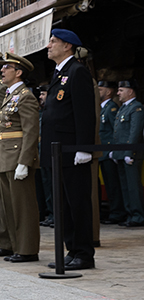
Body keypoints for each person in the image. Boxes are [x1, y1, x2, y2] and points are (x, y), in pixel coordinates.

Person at [42, 28, 97, 270]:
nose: (49, 45)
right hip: (58, 151)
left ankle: (84, 253)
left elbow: (85, 113)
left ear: (68, 46)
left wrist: (84, 148)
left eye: (53, 42)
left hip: (73, 151)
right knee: (63, 205)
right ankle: (71, 249)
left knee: (78, 203)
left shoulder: (77, 72)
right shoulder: (59, 73)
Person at [0, 53, 41, 262]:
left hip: (18, 158)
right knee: (11, 207)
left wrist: (25, 161)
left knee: (23, 208)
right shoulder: (10, 95)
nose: (2, 70)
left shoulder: (25, 96)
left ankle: (27, 249)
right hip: (6, 157)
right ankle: (17, 247)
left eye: (7, 68)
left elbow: (31, 131)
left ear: (19, 72)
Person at [111, 80, 144, 228]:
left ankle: (138, 216)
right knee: (124, 186)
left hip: (131, 154)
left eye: (121, 90)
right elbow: (118, 133)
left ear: (130, 91)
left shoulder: (136, 108)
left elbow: (135, 132)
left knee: (133, 186)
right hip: (121, 153)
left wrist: (130, 152)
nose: (118, 93)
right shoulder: (123, 108)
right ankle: (130, 214)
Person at [98, 80, 126, 224]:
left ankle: (117, 212)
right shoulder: (101, 108)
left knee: (113, 185)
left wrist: (113, 151)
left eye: (100, 89)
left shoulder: (111, 108)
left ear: (109, 92)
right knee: (109, 185)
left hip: (109, 152)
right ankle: (113, 212)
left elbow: (115, 131)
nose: (98, 91)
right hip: (102, 153)